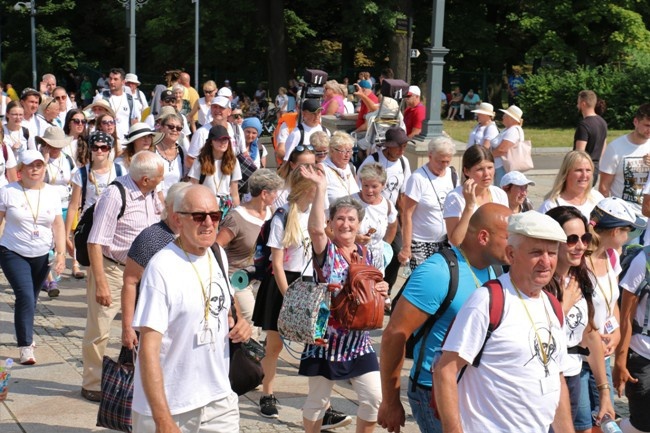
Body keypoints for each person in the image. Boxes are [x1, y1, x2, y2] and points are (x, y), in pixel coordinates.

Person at [434, 211, 575, 433]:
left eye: (552, 253)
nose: (546, 262)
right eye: (536, 252)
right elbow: (445, 370)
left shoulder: (552, 305)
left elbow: (556, 378)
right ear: (511, 254)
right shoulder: (487, 301)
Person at [378, 203, 511, 433]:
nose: (515, 245)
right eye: (510, 237)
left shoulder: (496, 270)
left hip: (475, 391)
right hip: (434, 392)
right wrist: (390, 401)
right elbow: (394, 336)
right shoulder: (437, 272)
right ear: (483, 237)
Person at [131, 184, 251, 432]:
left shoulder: (216, 253)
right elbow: (148, 350)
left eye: (215, 215)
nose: (208, 223)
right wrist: (162, 419)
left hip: (219, 399)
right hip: (173, 405)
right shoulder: (162, 268)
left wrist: (240, 324)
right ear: (177, 219)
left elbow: (224, 306)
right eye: (198, 216)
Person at [302, 165, 388, 432]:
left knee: (374, 398)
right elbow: (315, 230)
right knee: (318, 401)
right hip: (326, 339)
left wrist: (382, 289)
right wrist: (320, 188)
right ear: (331, 223)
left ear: (359, 223)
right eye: (339, 218)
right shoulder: (326, 251)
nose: (346, 224)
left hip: (358, 341)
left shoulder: (366, 253)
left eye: (351, 219)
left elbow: (373, 286)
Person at [80, 151, 164, 402]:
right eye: (159, 177)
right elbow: (94, 243)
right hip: (113, 269)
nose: (162, 180)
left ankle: (136, 377)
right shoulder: (115, 195)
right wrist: (101, 284)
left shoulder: (151, 193)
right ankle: (92, 383)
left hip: (142, 272)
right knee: (100, 329)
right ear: (145, 179)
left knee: (142, 327)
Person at [251, 167, 320, 419]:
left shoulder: (315, 213)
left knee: (314, 343)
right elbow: (277, 263)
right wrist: (290, 296)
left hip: (310, 281)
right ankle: (267, 392)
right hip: (284, 282)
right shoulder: (283, 216)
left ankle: (319, 398)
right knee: (275, 344)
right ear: (306, 188)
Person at [545, 206, 616, 431]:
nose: (580, 246)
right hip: (543, 382)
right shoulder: (537, 282)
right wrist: (562, 307)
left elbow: (590, 334)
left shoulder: (582, 278)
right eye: (571, 239)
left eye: (584, 238)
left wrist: (605, 391)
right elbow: (532, 334)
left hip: (573, 375)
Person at [581, 197, 644, 428]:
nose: (629, 237)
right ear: (616, 231)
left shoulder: (612, 256)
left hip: (603, 355)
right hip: (580, 356)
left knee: (602, 417)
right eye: (627, 231)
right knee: (584, 423)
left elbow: (612, 302)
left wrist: (616, 334)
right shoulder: (580, 260)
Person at [0, 150, 66, 364]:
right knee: (25, 296)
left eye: (39, 165)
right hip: (12, 251)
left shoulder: (52, 192)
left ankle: (26, 332)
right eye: (30, 165)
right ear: (20, 170)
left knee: (33, 298)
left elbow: (58, 224)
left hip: (41, 254)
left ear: (44, 168)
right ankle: (25, 346)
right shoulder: (8, 192)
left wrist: (61, 253)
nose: (35, 169)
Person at [121, 182, 190, 350]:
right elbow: (130, 282)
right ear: (169, 207)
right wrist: (127, 327)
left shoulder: (194, 238)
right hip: (152, 324)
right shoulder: (151, 238)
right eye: (182, 207)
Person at [216, 169, 284, 326]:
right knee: (251, 327)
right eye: (274, 192)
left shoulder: (271, 213)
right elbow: (216, 247)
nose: (277, 196)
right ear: (264, 194)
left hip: (261, 279)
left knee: (264, 327)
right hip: (239, 280)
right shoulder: (236, 218)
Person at [399, 136, 457, 270]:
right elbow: (407, 214)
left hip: (445, 242)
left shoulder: (452, 175)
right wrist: (406, 247)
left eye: (447, 161)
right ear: (430, 156)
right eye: (440, 161)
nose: (444, 166)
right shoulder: (418, 179)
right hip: (420, 243)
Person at [615, 235, 650, 433]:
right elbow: (626, 317)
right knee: (643, 424)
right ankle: (607, 428)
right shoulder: (643, 260)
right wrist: (620, 362)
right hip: (642, 353)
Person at [598, 103, 650, 237]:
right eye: (647, 126)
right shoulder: (616, 148)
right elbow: (604, 187)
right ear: (636, 122)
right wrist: (608, 217)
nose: (649, 130)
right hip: (625, 219)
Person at [443, 145, 508, 246]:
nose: (487, 174)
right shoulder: (455, 197)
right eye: (480, 169)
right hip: (464, 259)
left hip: (493, 257)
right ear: (466, 171)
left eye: (490, 167)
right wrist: (469, 206)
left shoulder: (499, 194)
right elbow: (456, 241)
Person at [37, 127, 76, 296]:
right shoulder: (38, 160)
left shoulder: (67, 159)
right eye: (52, 145)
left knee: (59, 242)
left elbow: (74, 182)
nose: (55, 149)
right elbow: (36, 180)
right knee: (47, 245)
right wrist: (44, 161)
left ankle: (48, 277)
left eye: (58, 145)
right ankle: (50, 280)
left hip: (65, 205)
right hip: (45, 207)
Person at [353, 162, 398, 277]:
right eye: (365, 185)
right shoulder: (350, 202)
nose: (369, 191)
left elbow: (393, 225)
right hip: (352, 260)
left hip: (377, 264)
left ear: (383, 185)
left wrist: (386, 246)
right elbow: (331, 230)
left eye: (374, 186)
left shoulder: (387, 205)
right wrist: (354, 238)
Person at [188, 124, 242, 212]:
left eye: (225, 139)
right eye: (218, 140)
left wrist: (237, 212)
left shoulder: (233, 161)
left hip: (226, 206)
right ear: (211, 142)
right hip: (205, 204)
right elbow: (194, 186)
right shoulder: (200, 160)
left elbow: (234, 192)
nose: (222, 143)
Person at [539, 150, 605, 219]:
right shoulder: (551, 206)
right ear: (566, 173)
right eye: (579, 170)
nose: (584, 175)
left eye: (588, 170)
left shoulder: (598, 198)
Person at [186, 96, 245, 170]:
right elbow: (189, 160)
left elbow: (244, 153)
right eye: (214, 107)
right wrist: (209, 173)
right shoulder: (201, 133)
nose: (217, 110)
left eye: (221, 107)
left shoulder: (237, 129)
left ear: (229, 111)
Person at [95, 68, 139, 141]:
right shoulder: (100, 97)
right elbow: (93, 119)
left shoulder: (130, 100)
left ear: (123, 82)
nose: (112, 82)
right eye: (110, 78)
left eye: (115, 79)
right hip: (105, 143)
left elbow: (134, 121)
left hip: (125, 143)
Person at [574, 90, 608, 185]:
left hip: (582, 171)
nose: (577, 105)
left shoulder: (584, 125)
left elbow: (579, 152)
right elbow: (603, 146)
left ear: (583, 103)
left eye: (578, 102)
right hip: (595, 168)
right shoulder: (602, 122)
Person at [490, 104, 525, 185]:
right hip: (501, 167)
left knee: (502, 192)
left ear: (511, 118)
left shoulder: (513, 131)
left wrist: (487, 157)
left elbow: (502, 149)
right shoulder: (508, 129)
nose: (503, 117)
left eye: (505, 115)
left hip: (504, 168)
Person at [321, 131, 359, 203]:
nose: (347, 155)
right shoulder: (322, 170)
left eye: (349, 151)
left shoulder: (351, 168)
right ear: (332, 151)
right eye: (343, 151)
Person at [154, 113, 185, 196]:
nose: (175, 130)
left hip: (175, 203)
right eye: (171, 127)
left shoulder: (182, 152)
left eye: (178, 128)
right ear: (162, 128)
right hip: (154, 202)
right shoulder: (152, 151)